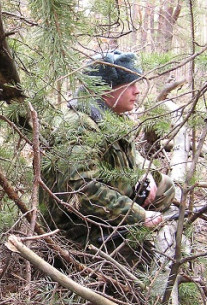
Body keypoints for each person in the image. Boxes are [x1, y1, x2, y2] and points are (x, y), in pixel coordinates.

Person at [41, 50, 176, 266]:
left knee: (165, 186)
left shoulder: (110, 116)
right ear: (105, 89)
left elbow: (130, 156)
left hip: (105, 209)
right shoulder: (79, 126)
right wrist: (138, 216)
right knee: (145, 265)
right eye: (129, 84)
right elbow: (79, 191)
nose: (137, 90)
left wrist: (145, 175)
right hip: (79, 230)